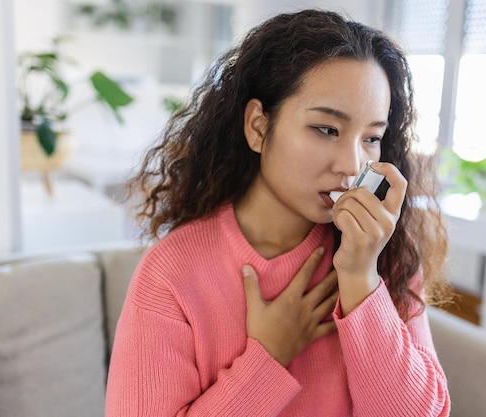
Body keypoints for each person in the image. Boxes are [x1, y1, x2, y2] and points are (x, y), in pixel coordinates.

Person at [105, 8, 451, 417]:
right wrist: (267, 359)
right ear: (257, 126)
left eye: (372, 138)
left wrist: (361, 277)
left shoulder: (384, 251)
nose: (352, 165)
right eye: (326, 129)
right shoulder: (172, 274)